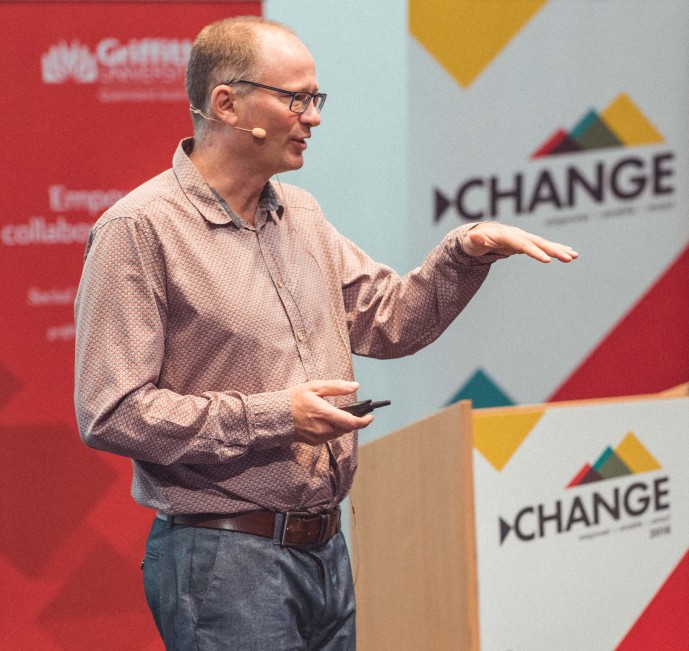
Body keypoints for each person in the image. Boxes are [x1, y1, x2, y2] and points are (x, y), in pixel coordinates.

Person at [74, 15, 577, 651]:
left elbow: (392, 320)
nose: (313, 116)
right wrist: (273, 416)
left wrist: (468, 251)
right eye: (295, 98)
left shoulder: (301, 214)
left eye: (316, 98)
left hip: (325, 552)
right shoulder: (139, 231)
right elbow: (110, 412)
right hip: (223, 560)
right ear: (226, 102)